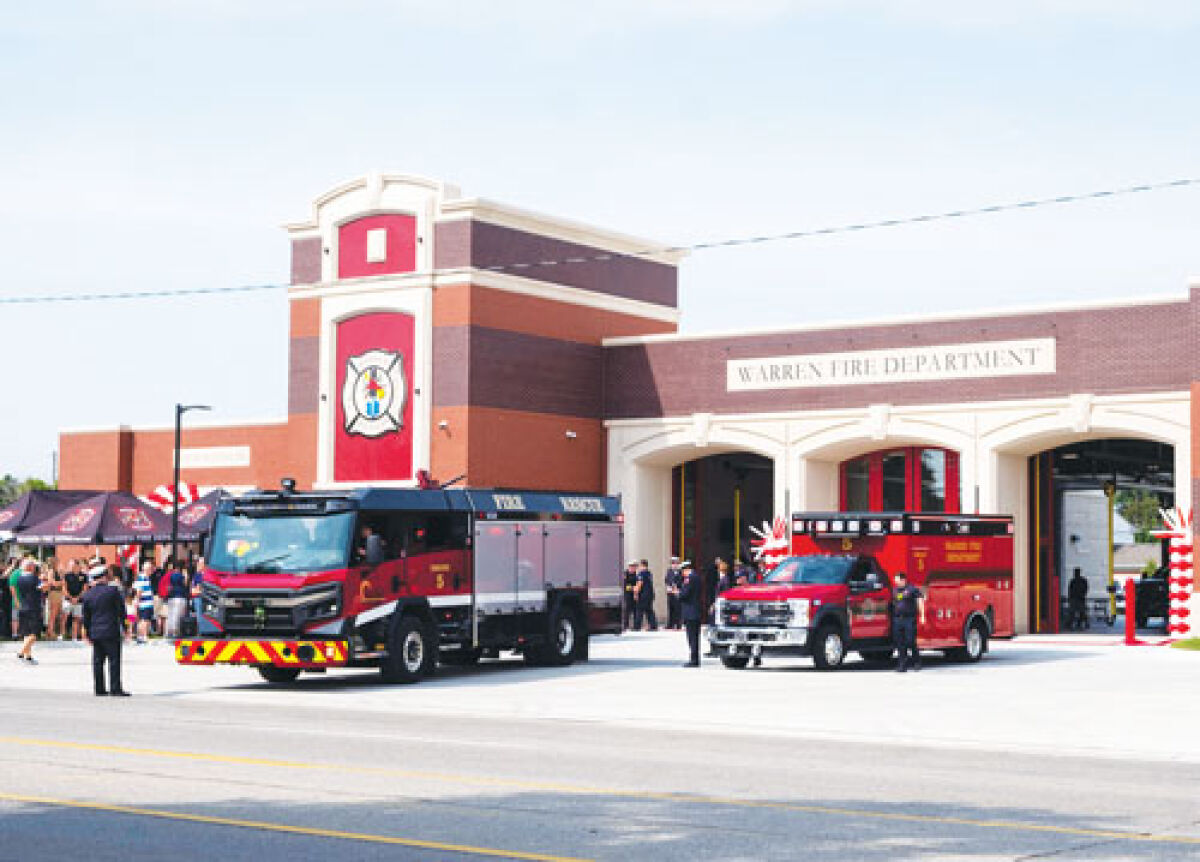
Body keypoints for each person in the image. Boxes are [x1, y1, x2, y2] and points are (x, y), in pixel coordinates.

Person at [82, 564, 130, 696]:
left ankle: (99, 688)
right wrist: (126, 627)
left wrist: (87, 632)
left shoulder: (88, 595)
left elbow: (86, 617)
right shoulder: (113, 591)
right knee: (114, 660)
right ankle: (115, 688)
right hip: (111, 630)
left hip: (95, 631)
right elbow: (121, 611)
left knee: (98, 661)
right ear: (104, 577)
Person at [891, 571, 926, 673]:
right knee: (899, 643)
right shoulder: (895, 590)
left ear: (903, 580)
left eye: (897, 579)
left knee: (910, 641)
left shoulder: (912, 589)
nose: (895, 581)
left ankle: (917, 662)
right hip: (897, 619)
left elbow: (920, 601)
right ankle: (902, 665)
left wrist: (922, 615)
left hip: (909, 619)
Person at [14, 559, 44, 664]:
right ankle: (21, 653)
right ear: (30, 567)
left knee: (27, 633)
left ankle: (28, 656)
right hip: (33, 608)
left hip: (24, 607)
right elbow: (42, 588)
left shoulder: (19, 578)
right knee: (34, 633)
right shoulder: (34, 578)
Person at [679, 563, 703, 667]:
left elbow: (685, 594)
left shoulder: (690, 579)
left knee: (692, 637)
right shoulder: (697, 577)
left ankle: (694, 660)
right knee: (695, 638)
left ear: (686, 569)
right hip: (695, 610)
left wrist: (678, 593)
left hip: (690, 611)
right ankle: (695, 659)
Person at [63, 559, 89, 642]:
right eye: (71, 566)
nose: (72, 567)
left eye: (73, 566)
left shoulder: (84, 576)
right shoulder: (67, 575)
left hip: (79, 600)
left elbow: (85, 588)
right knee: (64, 617)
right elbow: (64, 588)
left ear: (78, 566)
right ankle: (62, 635)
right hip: (68, 600)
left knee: (77, 618)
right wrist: (71, 598)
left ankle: (74, 637)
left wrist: (77, 598)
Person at [164, 561, 189, 638]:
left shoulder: (170, 575)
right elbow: (185, 583)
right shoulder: (180, 576)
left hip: (171, 597)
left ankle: (169, 631)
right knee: (177, 615)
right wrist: (186, 575)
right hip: (179, 597)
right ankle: (175, 632)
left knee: (171, 614)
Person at [133, 561, 155, 643]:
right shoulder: (141, 578)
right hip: (144, 603)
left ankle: (141, 635)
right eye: (150, 569)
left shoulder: (146, 578)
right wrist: (137, 602)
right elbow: (139, 591)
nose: (151, 570)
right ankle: (143, 636)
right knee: (144, 620)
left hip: (147, 602)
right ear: (146, 569)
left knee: (146, 619)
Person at [43, 561, 65, 640]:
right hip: (54, 593)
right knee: (53, 614)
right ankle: (50, 632)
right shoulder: (51, 572)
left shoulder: (58, 572)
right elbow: (52, 583)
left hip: (59, 593)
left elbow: (61, 582)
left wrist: (61, 578)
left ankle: (51, 631)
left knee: (57, 614)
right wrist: (61, 582)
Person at [634, 559, 658, 631]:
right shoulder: (649, 573)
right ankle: (653, 625)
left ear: (642, 565)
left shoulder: (641, 574)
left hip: (643, 595)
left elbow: (639, 584)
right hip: (650, 595)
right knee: (649, 610)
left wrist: (635, 593)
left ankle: (637, 627)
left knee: (639, 611)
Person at [664, 556, 684, 630]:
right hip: (670, 592)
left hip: (677, 592)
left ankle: (678, 624)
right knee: (670, 608)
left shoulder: (680, 572)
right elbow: (666, 579)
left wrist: (677, 586)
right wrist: (669, 585)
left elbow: (681, 581)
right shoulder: (669, 571)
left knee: (677, 609)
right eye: (673, 563)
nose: (674, 565)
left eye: (676, 563)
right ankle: (670, 624)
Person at [621, 560, 639, 630]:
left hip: (635, 594)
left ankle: (635, 626)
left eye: (634, 567)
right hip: (627, 595)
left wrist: (635, 590)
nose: (633, 568)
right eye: (632, 567)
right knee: (627, 611)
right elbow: (624, 585)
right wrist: (632, 588)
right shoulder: (625, 574)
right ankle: (625, 625)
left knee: (635, 610)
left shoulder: (636, 574)